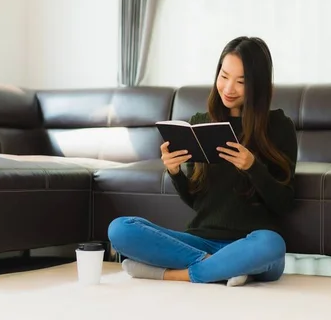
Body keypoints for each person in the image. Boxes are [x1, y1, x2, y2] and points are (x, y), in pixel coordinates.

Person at [107, 36, 298, 286]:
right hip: (200, 239)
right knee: (120, 229)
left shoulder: (279, 127)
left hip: (251, 241)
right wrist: (175, 172)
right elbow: (197, 202)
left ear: (258, 86)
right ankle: (224, 267)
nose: (228, 88)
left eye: (241, 82)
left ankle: (179, 274)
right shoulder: (200, 122)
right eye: (224, 76)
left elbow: (283, 203)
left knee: (272, 245)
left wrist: (253, 167)